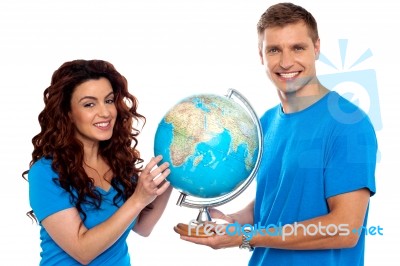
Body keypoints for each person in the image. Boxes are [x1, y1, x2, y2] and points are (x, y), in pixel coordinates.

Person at [178, 2, 378, 265]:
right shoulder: (266, 123)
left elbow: (345, 229)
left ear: (316, 48)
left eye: (298, 48)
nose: (286, 62)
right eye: (274, 50)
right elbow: (276, 199)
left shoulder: (348, 124)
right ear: (261, 55)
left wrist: (246, 236)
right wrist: (233, 222)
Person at [23, 59, 172, 265]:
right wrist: (138, 199)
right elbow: (82, 251)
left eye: (109, 100)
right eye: (89, 104)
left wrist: (175, 172)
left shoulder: (119, 162)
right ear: (68, 114)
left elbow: (142, 227)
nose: (105, 113)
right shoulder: (46, 173)